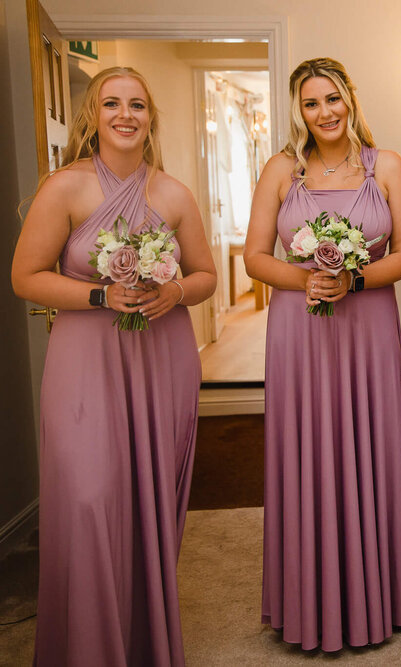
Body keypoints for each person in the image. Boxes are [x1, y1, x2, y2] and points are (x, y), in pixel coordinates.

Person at [10, 67, 216, 666]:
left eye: (137, 105)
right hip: (85, 361)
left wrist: (176, 293)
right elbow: (25, 277)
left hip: (162, 359)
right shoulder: (65, 187)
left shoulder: (173, 192)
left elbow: (203, 274)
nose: (125, 115)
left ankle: (143, 641)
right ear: (92, 116)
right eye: (112, 104)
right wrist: (100, 295)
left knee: (149, 499)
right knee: (88, 497)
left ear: (151, 117)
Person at [244, 57, 401, 651]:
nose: (325, 112)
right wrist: (306, 281)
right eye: (312, 103)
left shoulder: (388, 166)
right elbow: (255, 257)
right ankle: (308, 601)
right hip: (300, 328)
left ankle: (383, 597)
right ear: (300, 110)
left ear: (351, 100)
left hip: (366, 324)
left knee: (370, 445)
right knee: (307, 449)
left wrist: (354, 280)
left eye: (333, 99)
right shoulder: (280, 170)